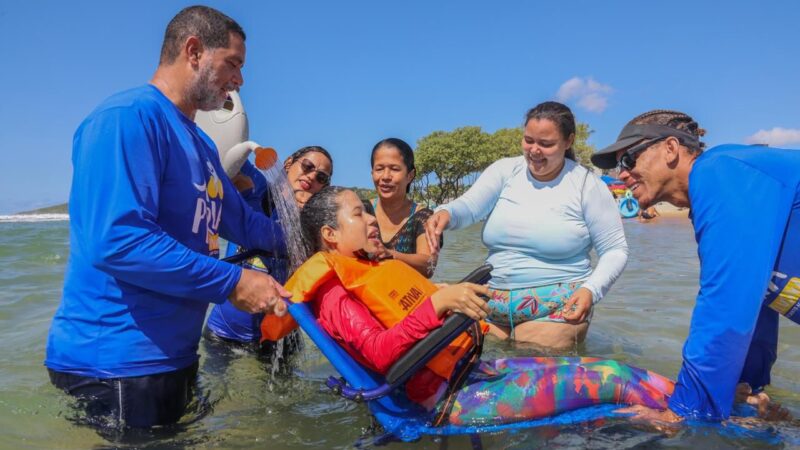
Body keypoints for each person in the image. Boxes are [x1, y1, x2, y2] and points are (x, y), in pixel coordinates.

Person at [44, 6, 291, 430]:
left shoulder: (201, 144)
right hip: (117, 363)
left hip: (173, 357)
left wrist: (312, 237)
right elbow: (120, 241)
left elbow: (247, 226)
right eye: (233, 64)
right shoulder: (127, 118)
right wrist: (233, 282)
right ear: (194, 51)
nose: (240, 80)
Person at [289, 186, 674, 426]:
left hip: (469, 376)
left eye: (368, 210)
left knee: (607, 371)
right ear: (330, 234)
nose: (372, 219)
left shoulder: (367, 269)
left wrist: (446, 294)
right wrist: (437, 304)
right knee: (612, 378)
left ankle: (695, 400)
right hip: (447, 401)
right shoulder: (335, 295)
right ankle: (705, 415)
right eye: (359, 213)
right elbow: (379, 352)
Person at [591, 109, 798, 423]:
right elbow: (753, 308)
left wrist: (683, 412)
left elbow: (724, 309)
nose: (622, 174)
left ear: (671, 149)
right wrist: (747, 388)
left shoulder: (720, 173)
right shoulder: (717, 195)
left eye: (629, 160)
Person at [425, 102, 628, 348]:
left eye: (546, 144)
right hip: (491, 304)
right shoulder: (505, 170)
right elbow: (468, 207)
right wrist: (445, 213)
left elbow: (615, 250)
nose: (534, 150)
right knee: (455, 352)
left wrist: (591, 291)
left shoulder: (588, 185)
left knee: (526, 356)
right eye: (528, 140)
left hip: (558, 309)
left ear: (569, 141)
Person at [205, 146, 333, 351]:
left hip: (279, 339)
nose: (311, 177)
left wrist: (308, 218)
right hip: (224, 333)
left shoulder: (315, 225)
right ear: (289, 163)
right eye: (307, 166)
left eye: (322, 178)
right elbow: (226, 149)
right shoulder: (258, 189)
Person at [369, 138, 439, 277]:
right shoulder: (362, 210)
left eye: (394, 169)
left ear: (410, 175)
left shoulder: (424, 217)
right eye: (379, 169)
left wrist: (392, 255)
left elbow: (429, 264)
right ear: (372, 173)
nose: (385, 176)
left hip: (407, 296)